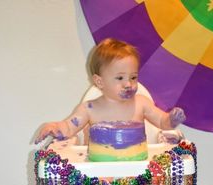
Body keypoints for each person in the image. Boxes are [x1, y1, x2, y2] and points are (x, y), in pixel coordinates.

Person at [35, 38, 186, 144]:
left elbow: (162, 121)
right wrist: (54, 127)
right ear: (100, 81)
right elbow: (68, 128)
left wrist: (171, 120)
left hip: (135, 172)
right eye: (120, 78)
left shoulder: (141, 103)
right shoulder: (89, 109)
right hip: (100, 173)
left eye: (133, 77)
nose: (129, 84)